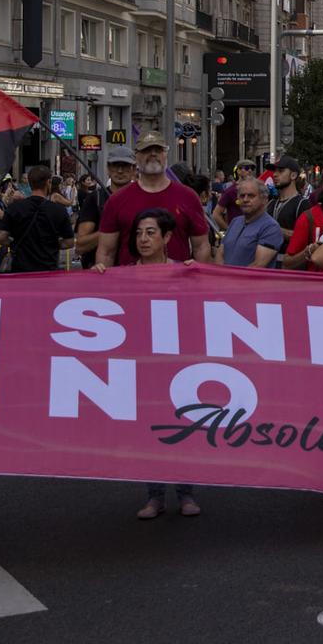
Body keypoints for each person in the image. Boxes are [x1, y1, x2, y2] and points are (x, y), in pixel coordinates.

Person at [126, 211, 201, 520]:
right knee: (151, 431)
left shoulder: (183, 273)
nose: (143, 239)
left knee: (181, 428)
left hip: (178, 363)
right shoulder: (124, 275)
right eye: (139, 233)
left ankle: (186, 493)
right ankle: (155, 496)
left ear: (167, 238)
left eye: (151, 233)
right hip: (143, 365)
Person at [93, 135, 213, 269]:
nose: (153, 154)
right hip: (131, 284)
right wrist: (103, 282)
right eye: (146, 151)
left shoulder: (188, 197)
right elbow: (106, 252)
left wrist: (201, 278)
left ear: (165, 155)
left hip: (176, 285)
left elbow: (201, 247)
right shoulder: (117, 200)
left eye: (158, 150)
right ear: (136, 157)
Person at [0, 166, 74, 274]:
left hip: (20, 269)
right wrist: (51, 244)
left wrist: (14, 243)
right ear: (49, 182)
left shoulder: (14, 208)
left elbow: (0, 238)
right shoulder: (59, 210)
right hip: (48, 269)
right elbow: (69, 242)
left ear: (29, 183)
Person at [220, 178, 286, 269]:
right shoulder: (235, 222)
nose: (245, 199)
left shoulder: (271, 227)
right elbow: (220, 255)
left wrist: (232, 280)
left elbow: (258, 265)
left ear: (264, 199)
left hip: (249, 282)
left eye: (251, 196)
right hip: (224, 281)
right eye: (242, 196)